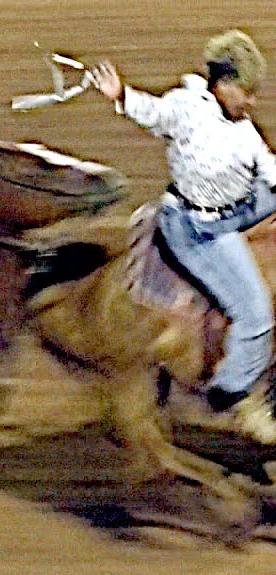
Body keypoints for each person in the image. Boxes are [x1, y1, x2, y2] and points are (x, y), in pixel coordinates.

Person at [92, 30, 276, 443]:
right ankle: (233, 394)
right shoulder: (187, 108)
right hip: (199, 229)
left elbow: (267, 168)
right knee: (256, 316)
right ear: (224, 86)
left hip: (238, 206)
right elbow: (154, 112)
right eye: (247, 92)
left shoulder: (242, 128)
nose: (252, 101)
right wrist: (122, 95)